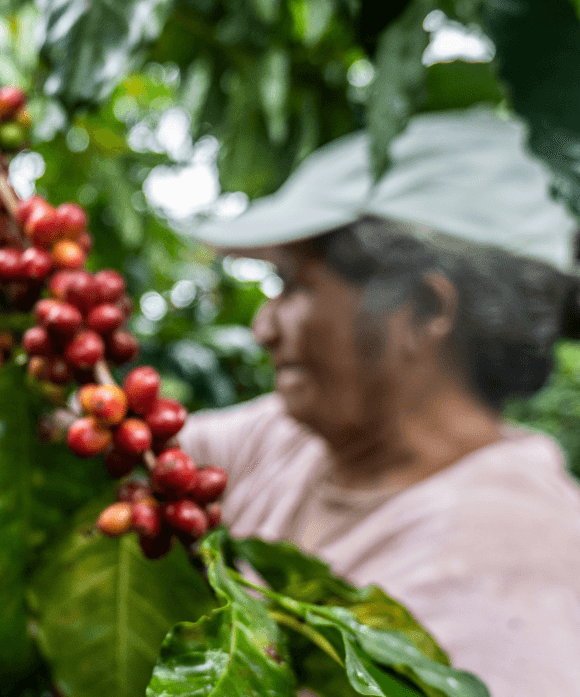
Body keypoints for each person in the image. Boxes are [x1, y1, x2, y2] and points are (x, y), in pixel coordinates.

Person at [177, 109, 580, 696]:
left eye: (293, 284)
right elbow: (131, 445)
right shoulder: (294, 439)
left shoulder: (515, 571)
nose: (263, 327)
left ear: (422, 309)